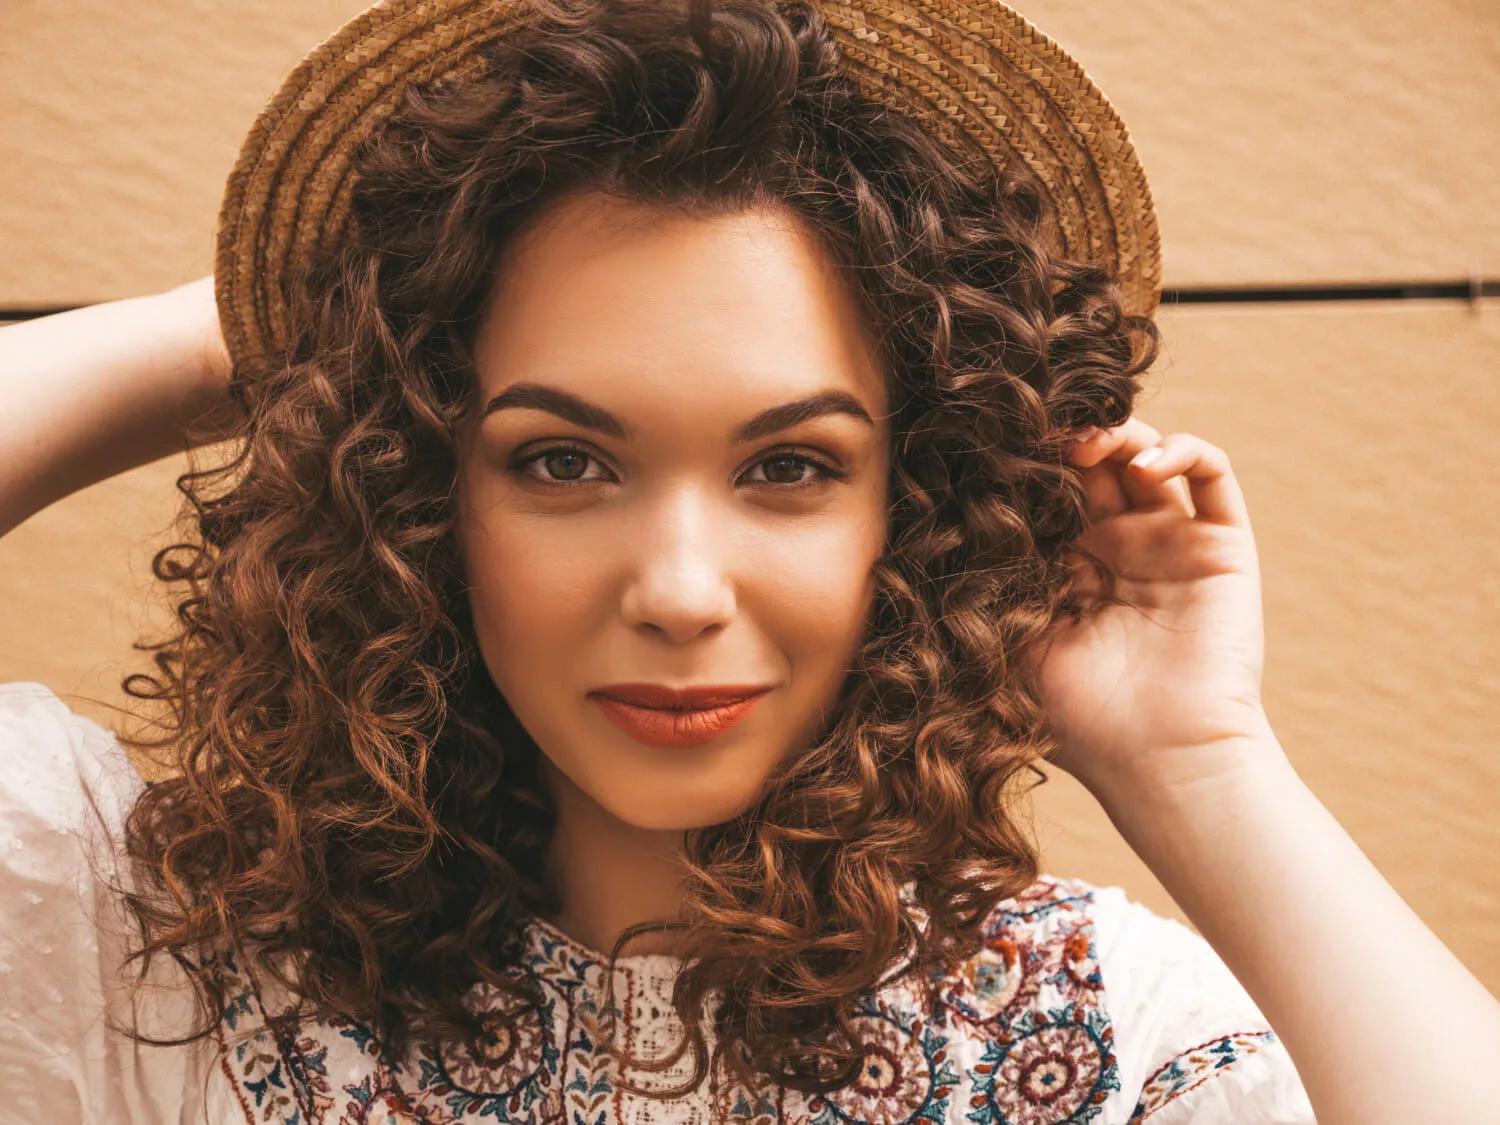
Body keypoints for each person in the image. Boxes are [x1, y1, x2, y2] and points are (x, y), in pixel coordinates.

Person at [1, 0, 1497, 1122]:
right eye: (562, 459)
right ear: (411, 492)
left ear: (912, 514)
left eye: (789, 468)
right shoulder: (137, 947)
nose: (677, 589)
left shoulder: (1107, 1044)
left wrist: (1201, 765)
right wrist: (276, 337)